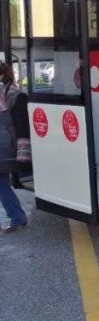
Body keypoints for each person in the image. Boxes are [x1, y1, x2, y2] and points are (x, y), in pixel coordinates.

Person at [0, 62, 30, 233]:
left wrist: (23, 152)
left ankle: (17, 217)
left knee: (2, 183)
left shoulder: (13, 96)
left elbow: (21, 126)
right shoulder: (9, 93)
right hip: (5, 143)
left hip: (5, 146)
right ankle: (17, 216)